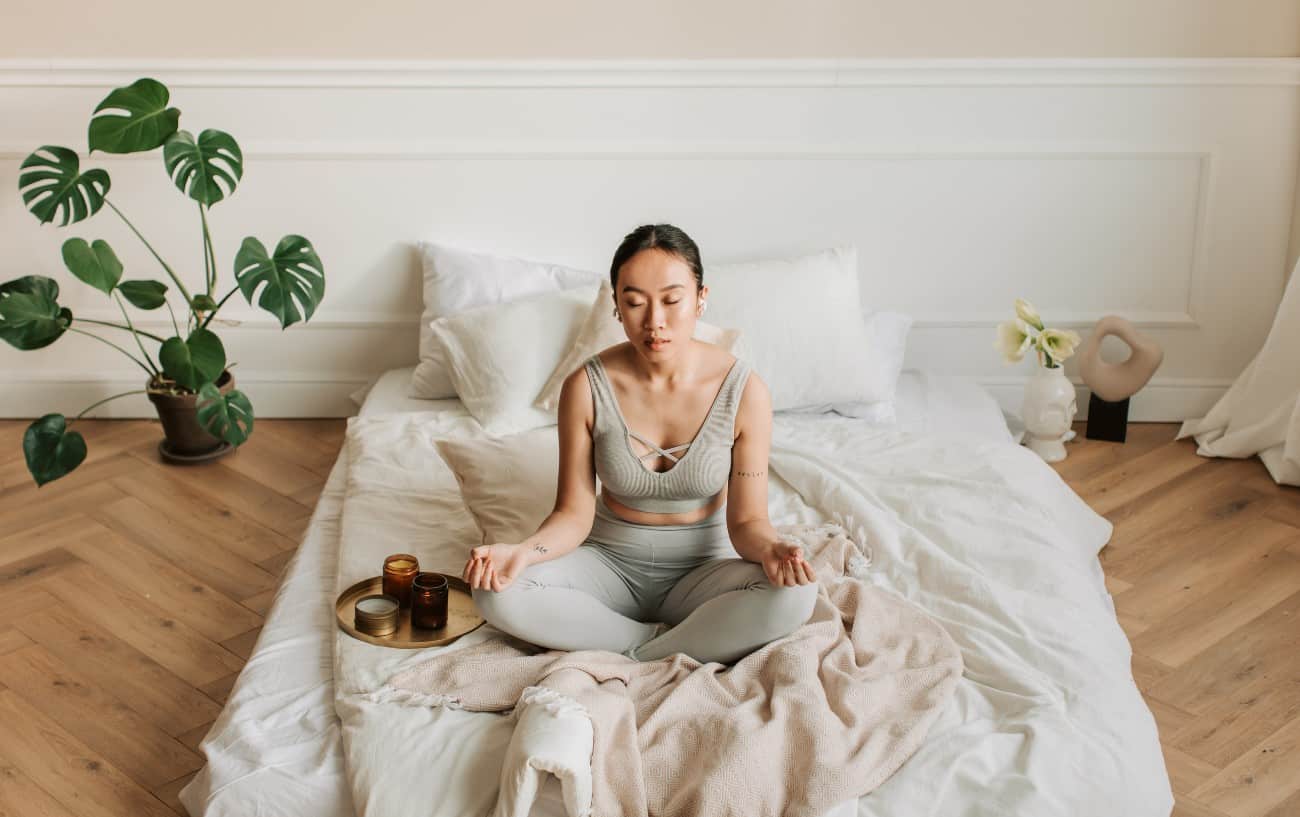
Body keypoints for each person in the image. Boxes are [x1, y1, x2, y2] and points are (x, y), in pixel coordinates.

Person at [462, 224, 818, 665]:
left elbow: (747, 522)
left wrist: (772, 548)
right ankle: (661, 646)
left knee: (797, 595)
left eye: (672, 300)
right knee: (494, 590)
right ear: (615, 305)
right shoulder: (586, 387)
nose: (655, 322)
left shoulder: (745, 391)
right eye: (634, 303)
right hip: (608, 566)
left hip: (703, 572)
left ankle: (630, 647)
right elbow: (572, 515)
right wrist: (520, 552)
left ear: (701, 297)